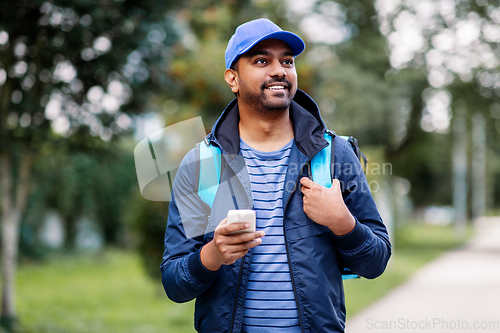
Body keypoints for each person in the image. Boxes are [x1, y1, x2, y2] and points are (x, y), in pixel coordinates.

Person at [161, 18, 391, 333]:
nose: (279, 70)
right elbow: (175, 283)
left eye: (287, 61)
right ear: (233, 78)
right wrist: (211, 255)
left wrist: (343, 223)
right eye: (261, 60)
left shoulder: (335, 154)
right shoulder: (200, 164)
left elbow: (376, 261)